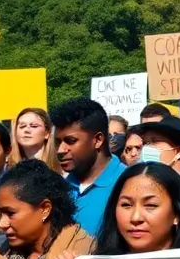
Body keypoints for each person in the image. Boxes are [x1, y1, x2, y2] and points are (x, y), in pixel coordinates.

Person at [50, 98, 125, 236]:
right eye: (58, 142)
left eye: (71, 141)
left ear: (98, 140)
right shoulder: (59, 189)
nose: (61, 150)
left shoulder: (128, 182)